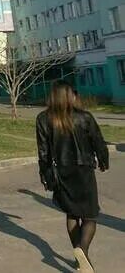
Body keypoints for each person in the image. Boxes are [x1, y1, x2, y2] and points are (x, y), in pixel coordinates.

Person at [36, 82, 109, 272]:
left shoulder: (43, 118)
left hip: (61, 173)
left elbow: (43, 152)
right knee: (91, 215)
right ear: (70, 96)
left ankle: (80, 261)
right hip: (83, 171)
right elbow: (98, 141)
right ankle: (81, 250)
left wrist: (44, 174)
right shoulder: (84, 117)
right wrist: (103, 161)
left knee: (72, 214)